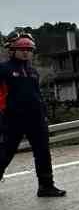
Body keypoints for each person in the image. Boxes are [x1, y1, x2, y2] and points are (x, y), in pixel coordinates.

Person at [0, 34, 66, 197]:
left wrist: (43, 114)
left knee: (43, 152)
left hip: (36, 119)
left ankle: (46, 186)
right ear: (12, 51)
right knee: (5, 153)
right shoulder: (3, 69)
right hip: (12, 119)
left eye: (29, 50)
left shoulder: (33, 71)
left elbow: (37, 94)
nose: (25, 53)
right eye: (21, 50)